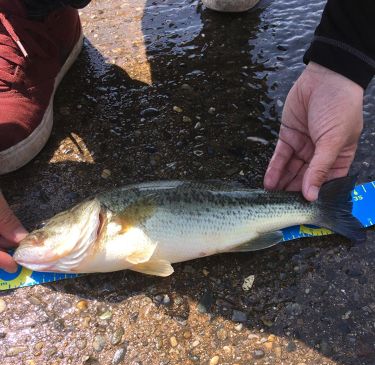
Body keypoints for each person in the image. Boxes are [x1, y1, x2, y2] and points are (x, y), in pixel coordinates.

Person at [0, 0, 374, 273]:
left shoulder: (109, 215)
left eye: (45, 230)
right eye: (43, 232)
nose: (39, 235)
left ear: (90, 216)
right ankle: (35, 10)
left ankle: (318, 209)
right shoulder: (102, 227)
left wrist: (341, 63)